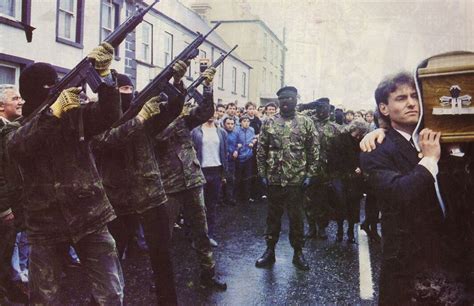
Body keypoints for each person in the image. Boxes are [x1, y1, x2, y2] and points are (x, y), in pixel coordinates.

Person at [6, 43, 124, 304]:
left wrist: (105, 79)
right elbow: (19, 147)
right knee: (45, 298)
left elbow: (109, 115)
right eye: (48, 87)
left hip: (90, 216)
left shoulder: (74, 116)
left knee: (111, 294)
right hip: (44, 223)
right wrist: (52, 113)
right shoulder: (16, 129)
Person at [359, 71, 468, 304]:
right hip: (407, 266)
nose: (411, 103)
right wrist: (429, 160)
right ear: (384, 109)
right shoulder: (376, 149)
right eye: (400, 98)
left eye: (414, 96)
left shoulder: (440, 138)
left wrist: (456, 151)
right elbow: (400, 194)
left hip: (453, 258)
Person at [93, 63, 190, 304]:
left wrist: (177, 82)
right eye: (122, 88)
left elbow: (172, 111)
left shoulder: (144, 113)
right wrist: (139, 119)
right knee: (111, 258)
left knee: (162, 256)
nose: (128, 92)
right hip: (118, 198)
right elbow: (104, 142)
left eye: (130, 88)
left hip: (151, 193)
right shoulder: (99, 115)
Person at [154, 68, 227, 290]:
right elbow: (159, 136)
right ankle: (159, 281)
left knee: (201, 232)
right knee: (163, 237)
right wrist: (175, 113)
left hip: (193, 180)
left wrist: (207, 87)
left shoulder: (184, 120)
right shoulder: (154, 121)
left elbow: (206, 112)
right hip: (169, 185)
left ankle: (208, 273)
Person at [255, 86, 320, 271]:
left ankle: (298, 252)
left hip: (296, 179)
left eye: (290, 99)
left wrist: (309, 174)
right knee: (272, 217)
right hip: (274, 178)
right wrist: (262, 173)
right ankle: (269, 251)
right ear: (278, 101)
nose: (286, 102)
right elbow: (261, 150)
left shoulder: (306, 122)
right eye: (282, 99)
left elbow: (313, 150)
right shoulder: (269, 122)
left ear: (296, 100)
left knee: (296, 217)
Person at [0, 84, 28, 304]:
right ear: (1, 106)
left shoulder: (13, 127)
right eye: (15, 98)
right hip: (4, 209)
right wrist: (4, 208)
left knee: (8, 252)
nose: (21, 102)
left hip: (13, 204)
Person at [303, 98, 341, 240]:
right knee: (308, 200)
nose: (321, 111)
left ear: (329, 110)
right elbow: (297, 112)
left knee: (323, 200)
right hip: (309, 169)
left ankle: (322, 228)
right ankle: (311, 227)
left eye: (324, 108)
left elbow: (339, 152)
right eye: (319, 107)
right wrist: (310, 104)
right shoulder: (308, 124)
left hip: (326, 171)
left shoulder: (335, 128)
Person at [327, 119, 368, 243]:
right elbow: (335, 159)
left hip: (354, 179)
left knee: (352, 205)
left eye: (361, 133)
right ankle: (340, 231)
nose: (359, 135)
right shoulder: (339, 140)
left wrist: (360, 167)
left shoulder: (359, 141)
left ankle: (349, 232)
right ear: (353, 129)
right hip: (342, 176)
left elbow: (363, 156)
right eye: (358, 132)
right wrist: (352, 168)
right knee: (340, 204)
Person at [192, 107, 228, 247]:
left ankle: (209, 235)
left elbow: (224, 154)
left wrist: (224, 174)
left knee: (211, 206)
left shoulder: (221, 132)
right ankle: (197, 237)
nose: (211, 116)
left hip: (216, 171)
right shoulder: (195, 131)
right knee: (198, 208)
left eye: (213, 113)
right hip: (201, 171)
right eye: (208, 112)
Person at [234, 115, 256, 205]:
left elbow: (254, 138)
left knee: (248, 177)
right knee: (238, 178)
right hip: (239, 157)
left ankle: (247, 197)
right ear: (240, 122)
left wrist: (253, 142)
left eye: (248, 121)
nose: (246, 123)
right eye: (244, 121)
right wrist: (237, 148)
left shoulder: (252, 129)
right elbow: (234, 142)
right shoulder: (237, 130)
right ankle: (237, 197)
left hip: (249, 156)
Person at [222, 117, 238, 206]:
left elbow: (238, 144)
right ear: (224, 124)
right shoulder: (221, 133)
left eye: (232, 124)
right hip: (223, 160)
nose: (230, 126)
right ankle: (220, 200)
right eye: (228, 124)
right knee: (222, 180)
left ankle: (229, 198)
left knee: (231, 180)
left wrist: (236, 150)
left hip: (232, 160)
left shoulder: (235, 134)